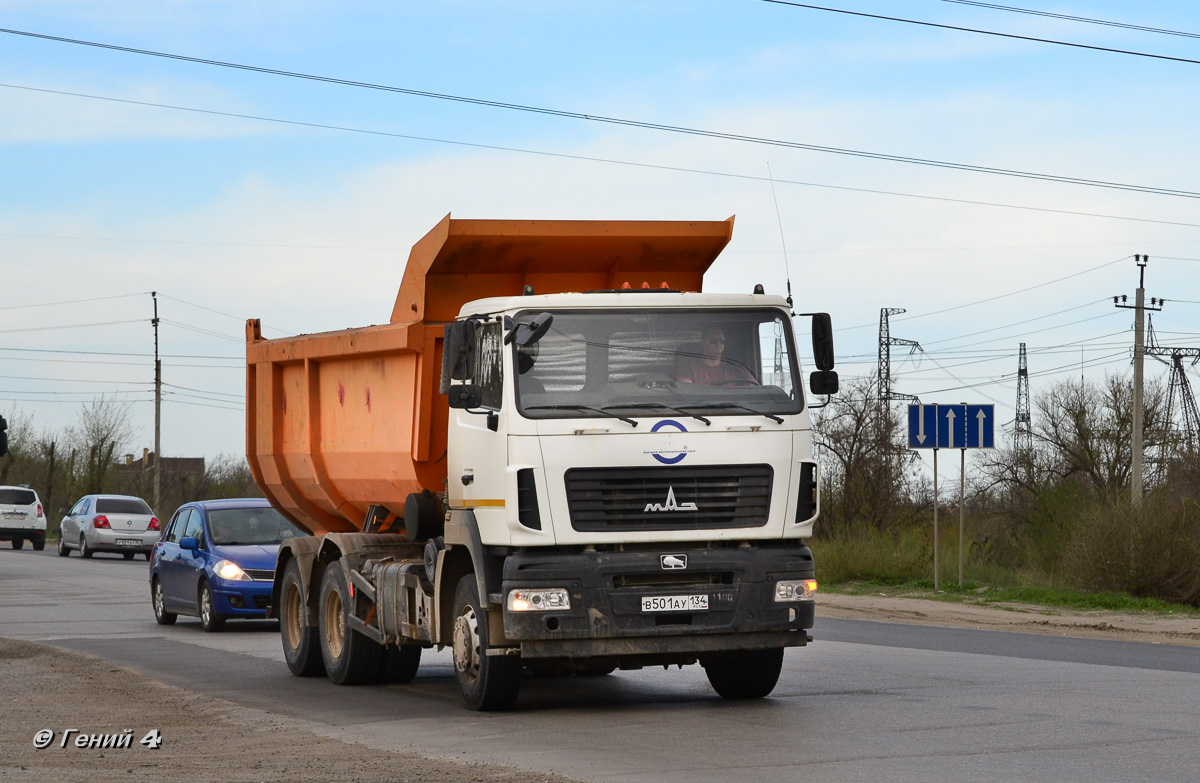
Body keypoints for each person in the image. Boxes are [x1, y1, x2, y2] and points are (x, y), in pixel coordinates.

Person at [675, 325, 756, 385]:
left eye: (722, 340)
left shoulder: (734, 367)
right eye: (714, 340)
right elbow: (686, 392)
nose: (718, 343)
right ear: (703, 342)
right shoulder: (689, 366)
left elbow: (753, 387)